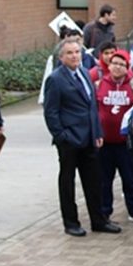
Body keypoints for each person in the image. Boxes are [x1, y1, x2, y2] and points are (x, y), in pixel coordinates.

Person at [43, 38, 121, 237]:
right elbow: (51, 112)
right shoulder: (56, 79)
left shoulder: (85, 73)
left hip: (90, 139)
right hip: (70, 139)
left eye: (77, 52)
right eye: (69, 53)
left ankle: (99, 220)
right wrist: (61, 136)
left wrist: (98, 132)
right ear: (61, 57)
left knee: (94, 181)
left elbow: (92, 107)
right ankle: (71, 222)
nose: (74, 56)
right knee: (67, 182)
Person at [94, 50, 133, 225]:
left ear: (127, 68)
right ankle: (104, 212)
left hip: (126, 144)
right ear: (108, 65)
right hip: (104, 143)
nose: (117, 67)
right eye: (114, 63)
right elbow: (92, 110)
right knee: (104, 180)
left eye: (121, 64)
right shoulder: (98, 84)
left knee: (130, 179)